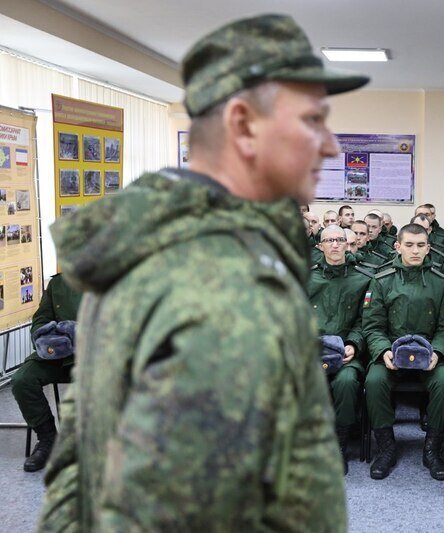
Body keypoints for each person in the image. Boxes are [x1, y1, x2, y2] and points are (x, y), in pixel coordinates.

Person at [39, 14, 369, 532]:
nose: (330, 145)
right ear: (242, 124)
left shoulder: (152, 240)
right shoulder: (225, 285)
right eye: (312, 120)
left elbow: (78, 463)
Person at [362, 223, 444, 481]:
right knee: (374, 380)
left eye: (421, 245)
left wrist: (437, 352)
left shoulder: (442, 283)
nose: (415, 250)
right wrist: (382, 352)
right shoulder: (381, 281)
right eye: (409, 245)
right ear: (397, 246)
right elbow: (372, 326)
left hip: (429, 356)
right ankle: (386, 448)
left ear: (429, 248)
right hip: (392, 353)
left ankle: (432, 448)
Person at [308, 225, 373, 474]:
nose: (335, 245)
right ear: (320, 246)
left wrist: (353, 345)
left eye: (339, 240)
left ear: (347, 244)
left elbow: (365, 321)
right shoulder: (307, 278)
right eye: (329, 240)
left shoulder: (363, 279)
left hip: (346, 352)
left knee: (346, 382)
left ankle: (340, 444)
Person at [11, 274, 81, 472]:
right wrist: (44, 337)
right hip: (59, 356)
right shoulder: (58, 283)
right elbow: (41, 319)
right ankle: (48, 440)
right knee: (22, 380)